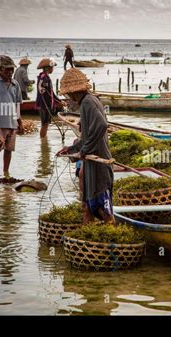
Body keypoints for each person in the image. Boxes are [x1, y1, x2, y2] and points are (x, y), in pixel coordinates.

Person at [56, 68, 115, 225]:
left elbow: (102, 125)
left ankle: (110, 237)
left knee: (104, 208)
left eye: (68, 95)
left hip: (99, 161)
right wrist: (71, 149)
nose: (68, 98)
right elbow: (87, 136)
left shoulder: (88, 102)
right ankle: (85, 236)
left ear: (73, 93)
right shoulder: (87, 102)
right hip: (91, 162)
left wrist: (85, 150)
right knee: (88, 207)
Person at [36, 58, 63, 138]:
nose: (52, 69)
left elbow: (51, 93)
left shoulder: (46, 77)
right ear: (48, 68)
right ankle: (43, 142)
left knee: (45, 124)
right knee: (45, 124)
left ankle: (44, 142)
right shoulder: (43, 77)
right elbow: (45, 93)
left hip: (46, 105)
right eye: (52, 67)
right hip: (44, 105)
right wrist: (48, 106)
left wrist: (59, 101)